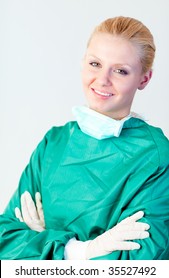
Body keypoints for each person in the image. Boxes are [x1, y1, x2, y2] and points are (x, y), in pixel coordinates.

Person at [0, 16, 169, 260]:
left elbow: (138, 266)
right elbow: (5, 240)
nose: (102, 80)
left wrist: (43, 244)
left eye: (120, 70)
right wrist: (80, 250)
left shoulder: (155, 158)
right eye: (95, 63)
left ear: (144, 79)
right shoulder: (54, 143)